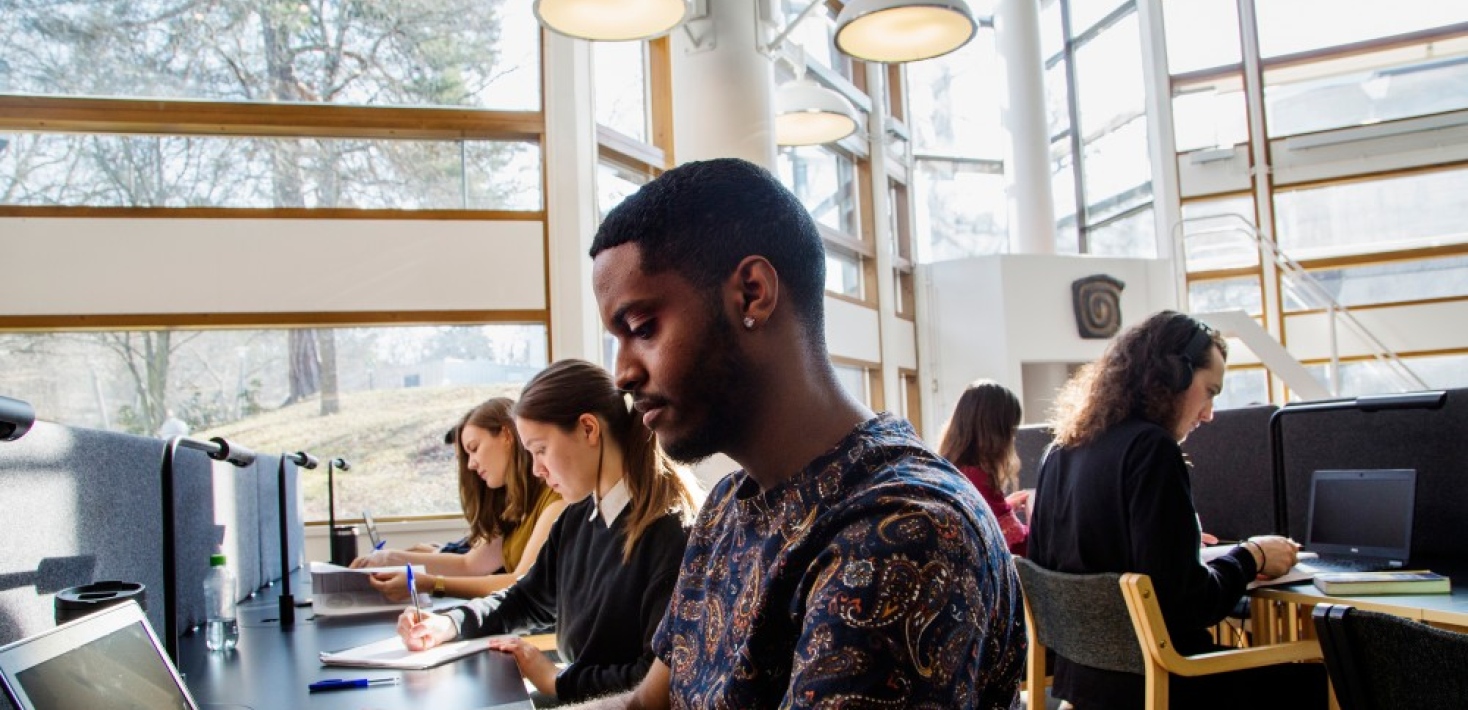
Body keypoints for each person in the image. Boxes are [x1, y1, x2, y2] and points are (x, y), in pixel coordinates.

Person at [575, 157, 1024, 709]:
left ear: (752, 293)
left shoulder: (900, 533)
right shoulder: (728, 507)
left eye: (641, 328)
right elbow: (648, 704)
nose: (621, 373)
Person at [1027, 310, 1326, 709]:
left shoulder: (1059, 453)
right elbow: (1187, 605)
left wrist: (1178, 544)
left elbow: (1057, 566)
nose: (1209, 413)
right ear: (1175, 376)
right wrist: (1252, 556)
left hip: (1087, 687)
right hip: (1168, 681)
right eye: (1210, 391)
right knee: (1317, 670)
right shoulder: (1151, 449)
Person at [396, 359, 702, 704]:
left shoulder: (671, 534)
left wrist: (557, 680)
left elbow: (656, 679)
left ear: (589, 429)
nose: (537, 470)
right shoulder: (578, 517)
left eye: (541, 451)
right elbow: (525, 599)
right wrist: (449, 624)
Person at [352, 398, 567, 602]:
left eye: (474, 449)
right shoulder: (515, 504)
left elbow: (520, 583)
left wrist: (431, 584)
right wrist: (388, 559)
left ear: (506, 435)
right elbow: (469, 564)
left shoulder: (556, 499)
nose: (471, 465)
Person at [939, 379, 1031, 556]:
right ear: (997, 433)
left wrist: (1006, 508)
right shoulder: (979, 478)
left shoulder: (950, 468)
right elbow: (1021, 545)